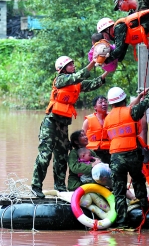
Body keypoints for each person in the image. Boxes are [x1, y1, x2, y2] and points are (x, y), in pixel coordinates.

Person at [31, 56, 108, 199]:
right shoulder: (60, 80)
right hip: (51, 123)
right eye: (70, 64)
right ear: (62, 68)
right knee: (45, 155)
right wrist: (93, 62)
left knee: (61, 156)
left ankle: (60, 186)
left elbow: (92, 84)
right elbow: (79, 76)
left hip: (63, 125)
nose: (73, 66)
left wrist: (107, 72)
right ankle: (36, 186)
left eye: (73, 64)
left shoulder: (76, 83)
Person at [103, 72, 149, 228]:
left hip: (115, 157)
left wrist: (139, 97)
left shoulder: (107, 118)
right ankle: (145, 209)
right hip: (132, 154)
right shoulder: (131, 112)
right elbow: (147, 101)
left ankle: (122, 223)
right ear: (123, 99)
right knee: (138, 181)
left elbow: (124, 111)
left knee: (119, 190)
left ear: (110, 103)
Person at [83, 95, 111, 164]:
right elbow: (82, 139)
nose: (104, 104)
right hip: (94, 153)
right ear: (95, 107)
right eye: (101, 102)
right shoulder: (87, 121)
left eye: (105, 102)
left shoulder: (112, 118)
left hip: (110, 152)